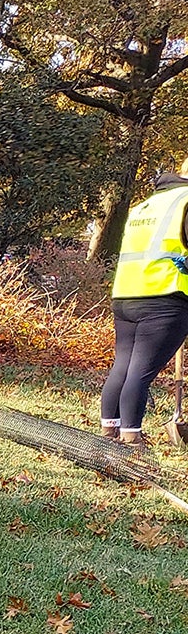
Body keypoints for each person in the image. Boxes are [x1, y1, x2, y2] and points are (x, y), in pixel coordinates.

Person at [103, 166, 188, 446]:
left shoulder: (146, 205)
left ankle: (110, 431)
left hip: (126, 295)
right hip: (164, 296)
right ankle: (132, 439)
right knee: (140, 371)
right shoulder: (186, 200)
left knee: (123, 366)